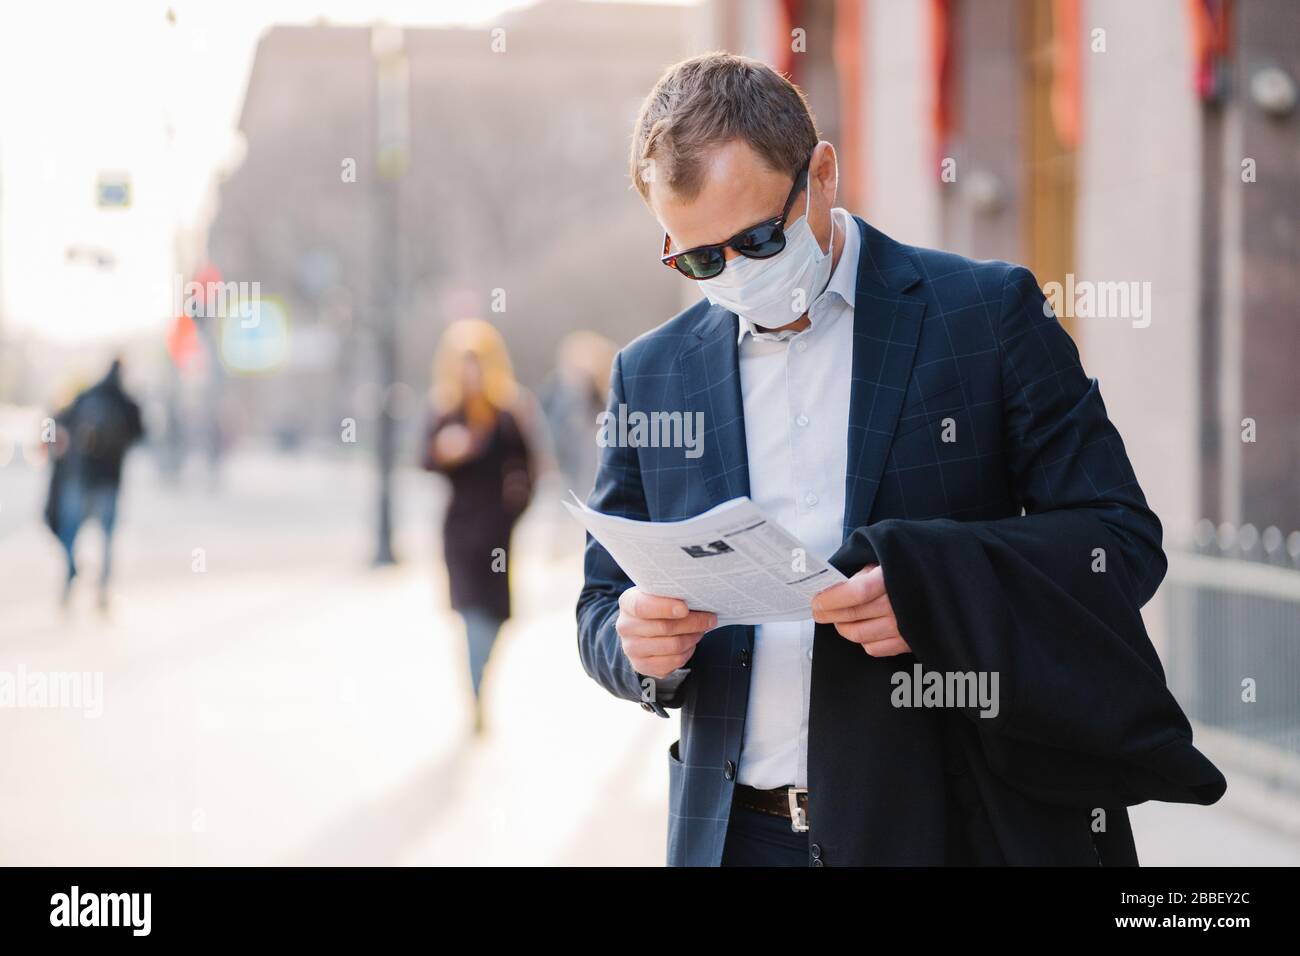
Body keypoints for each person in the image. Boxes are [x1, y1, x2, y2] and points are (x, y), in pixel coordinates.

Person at [576, 53, 1224, 866]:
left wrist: (933, 590)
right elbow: (601, 601)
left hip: (951, 825)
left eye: (757, 240)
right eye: (701, 260)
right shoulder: (652, 371)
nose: (735, 277)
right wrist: (636, 648)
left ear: (822, 173)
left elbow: (1120, 542)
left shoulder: (986, 315)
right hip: (733, 836)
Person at [422, 319, 535, 736]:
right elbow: (425, 461)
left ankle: (480, 678)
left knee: (497, 616)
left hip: (497, 536)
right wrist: (448, 451)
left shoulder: (507, 414)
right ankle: (476, 696)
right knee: (470, 615)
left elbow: (527, 471)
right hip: (459, 533)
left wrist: (512, 513)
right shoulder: (445, 412)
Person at [44, 358, 145, 609]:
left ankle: (70, 579)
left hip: (81, 476)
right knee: (106, 539)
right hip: (110, 480)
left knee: (70, 532)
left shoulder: (87, 396)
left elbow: (57, 424)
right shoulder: (125, 402)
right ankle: (101, 592)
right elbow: (141, 435)